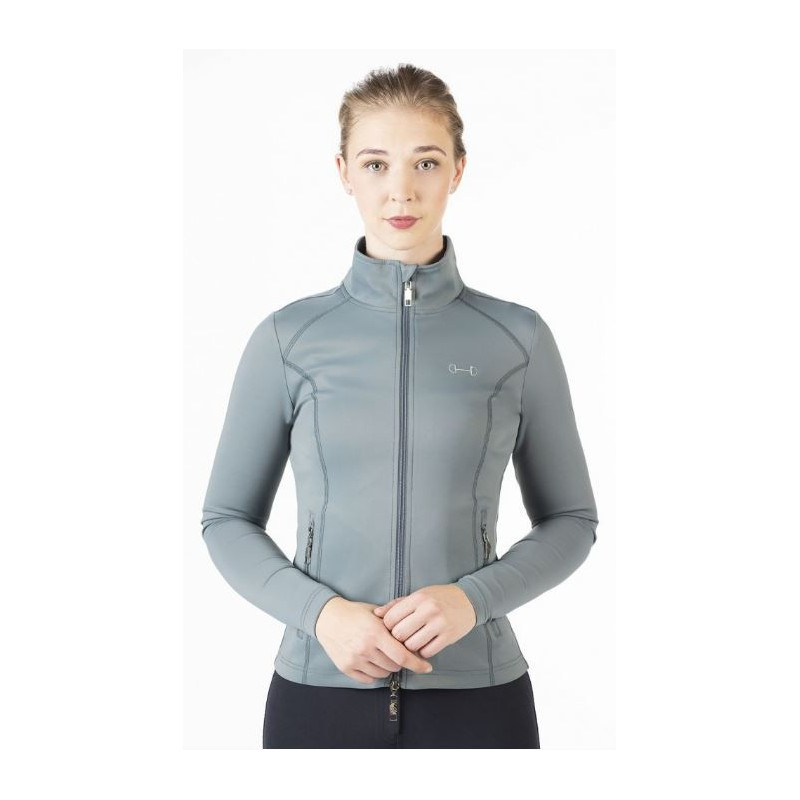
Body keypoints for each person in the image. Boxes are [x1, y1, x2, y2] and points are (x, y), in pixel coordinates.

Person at [200, 63, 599, 749]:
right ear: (344, 173)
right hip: (317, 696)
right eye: (376, 163)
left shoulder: (517, 339)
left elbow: (572, 521)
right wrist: (322, 615)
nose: (401, 190)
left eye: (426, 162)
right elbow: (226, 519)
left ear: (458, 170)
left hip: (480, 699)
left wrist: (472, 600)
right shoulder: (289, 339)